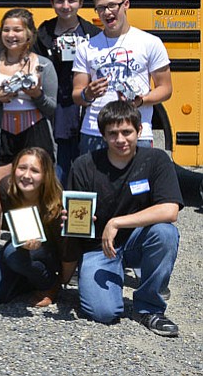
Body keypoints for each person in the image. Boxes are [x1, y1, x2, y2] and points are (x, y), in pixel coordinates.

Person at [65, 101, 181, 337]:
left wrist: (116, 222)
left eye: (127, 132)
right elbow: (76, 224)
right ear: (103, 135)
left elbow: (170, 210)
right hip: (99, 247)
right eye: (113, 133)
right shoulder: (84, 165)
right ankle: (107, 279)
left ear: (139, 130)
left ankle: (149, 308)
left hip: (138, 241)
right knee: (104, 313)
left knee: (165, 233)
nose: (121, 139)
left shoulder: (156, 160)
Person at [0, 9, 56, 277]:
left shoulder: (43, 63)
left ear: (29, 34)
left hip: (34, 131)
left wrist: (37, 94)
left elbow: (54, 108)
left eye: (18, 30)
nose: (11, 35)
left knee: (33, 198)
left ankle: (31, 257)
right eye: (7, 29)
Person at [72, 0, 172, 154]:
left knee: (137, 182)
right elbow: (77, 94)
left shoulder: (150, 42)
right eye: (101, 8)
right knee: (93, 182)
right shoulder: (86, 47)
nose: (107, 12)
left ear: (126, 4)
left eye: (112, 6)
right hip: (95, 132)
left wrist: (141, 100)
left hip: (135, 132)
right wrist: (87, 94)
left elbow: (166, 88)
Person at [0, 148, 72, 307]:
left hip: (49, 252)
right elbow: (13, 226)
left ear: (45, 176)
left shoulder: (59, 201)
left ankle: (49, 284)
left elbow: (67, 247)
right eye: (22, 168)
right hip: (21, 242)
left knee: (11, 254)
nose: (26, 175)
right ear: (14, 168)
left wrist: (63, 280)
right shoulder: (5, 187)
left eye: (35, 171)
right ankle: (27, 278)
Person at [34, 0, 101, 181]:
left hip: (85, 102)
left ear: (81, 3)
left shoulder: (93, 33)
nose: (65, 6)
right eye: (60, 1)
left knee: (85, 158)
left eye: (71, 0)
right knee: (58, 160)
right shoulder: (44, 33)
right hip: (56, 102)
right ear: (52, 3)